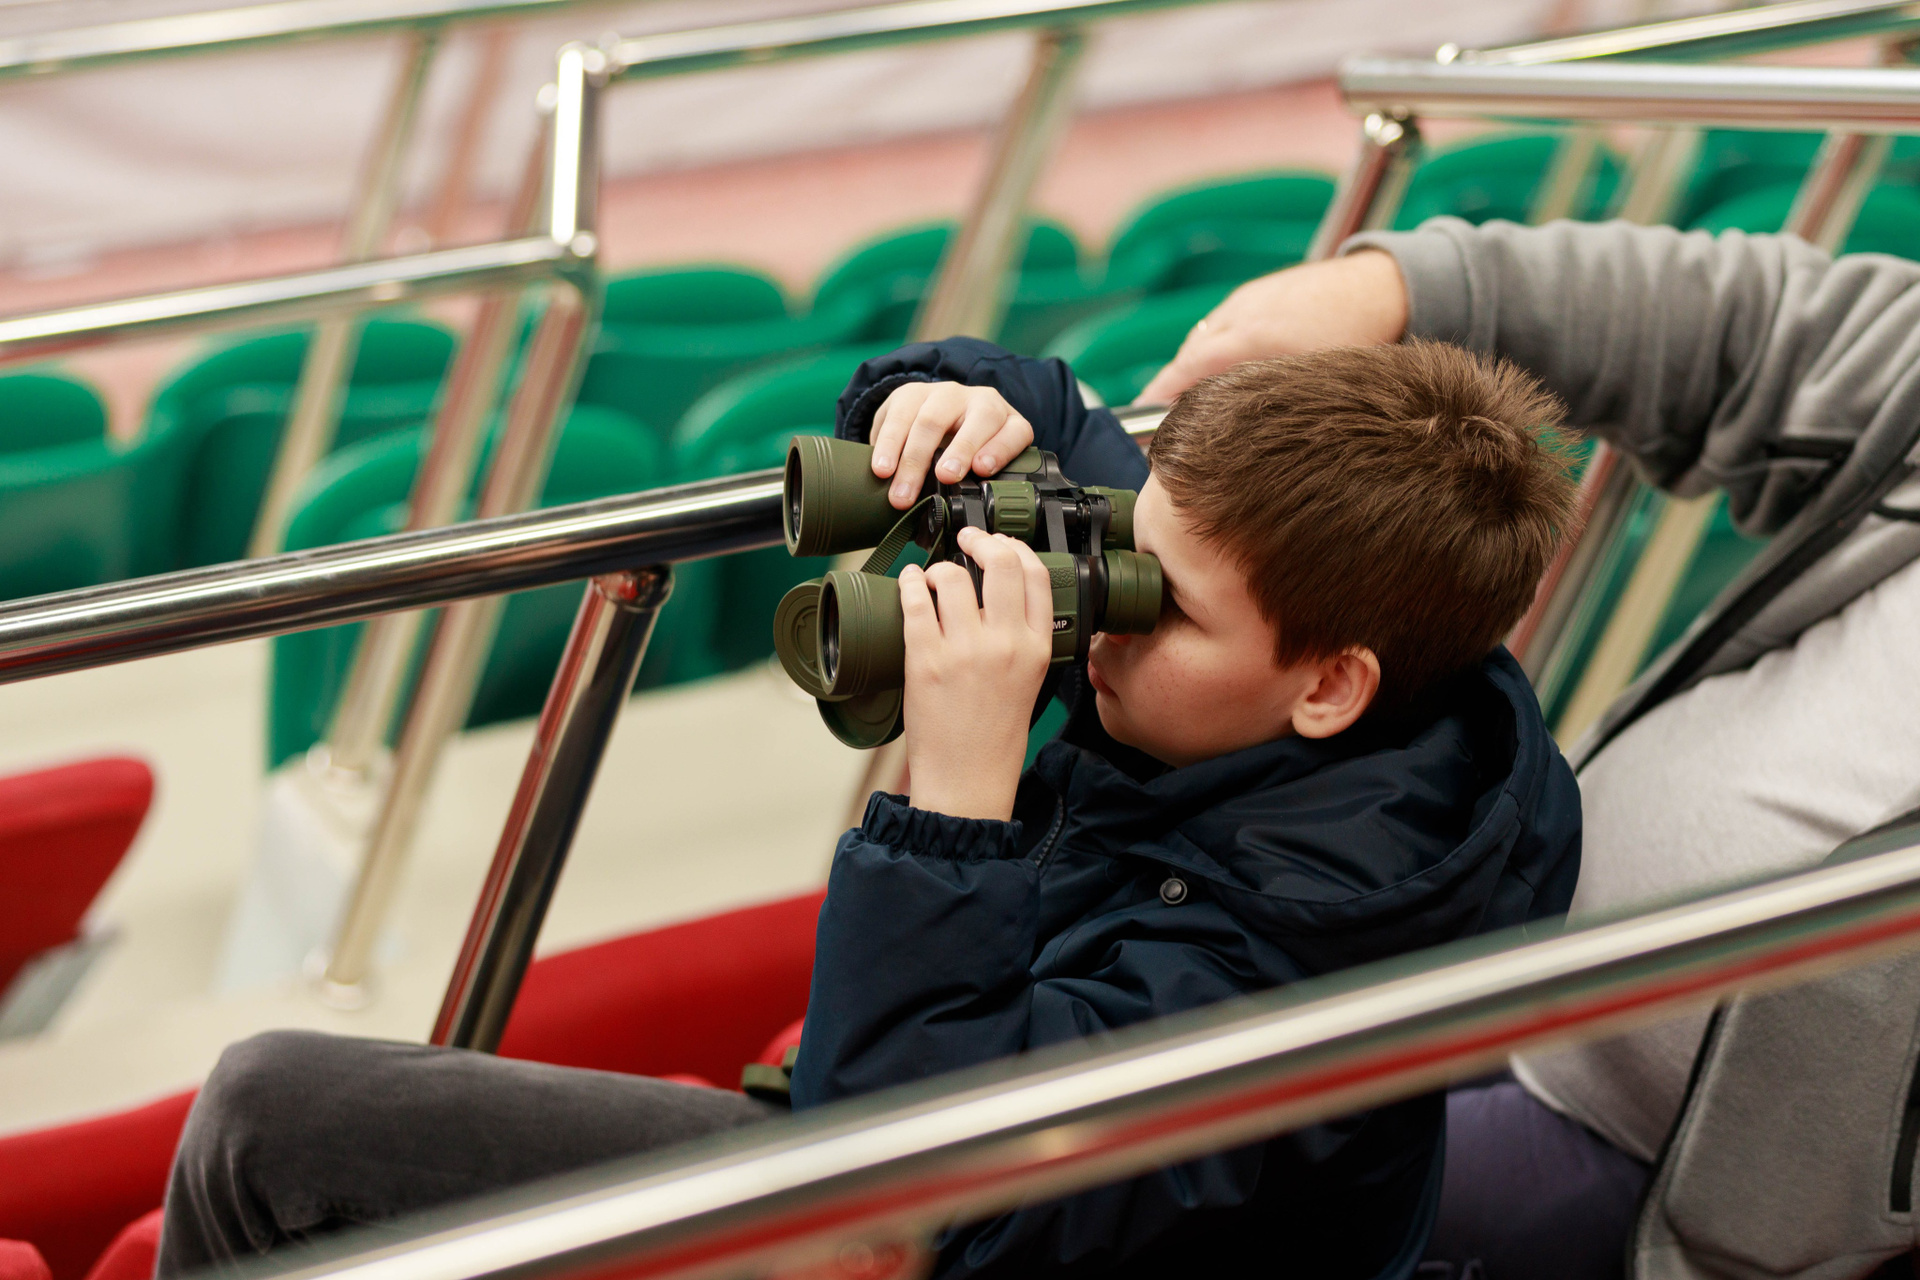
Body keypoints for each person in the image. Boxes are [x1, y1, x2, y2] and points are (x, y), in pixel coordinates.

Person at [160, 335, 1583, 1280]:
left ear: (1330, 685)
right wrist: (945, 403)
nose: (1104, 606)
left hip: (924, 1202)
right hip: (923, 1131)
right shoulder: (1319, 641)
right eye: (1122, 548)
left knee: (268, 1120)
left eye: (1163, 604)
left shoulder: (1296, 966)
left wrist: (952, 805)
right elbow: (1061, 416)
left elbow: (892, 1194)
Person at [1140, 217, 1920, 1280]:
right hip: (1498, 950)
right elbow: (1746, 328)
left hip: (1660, 1174)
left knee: (1155, 1205)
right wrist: (1399, 291)